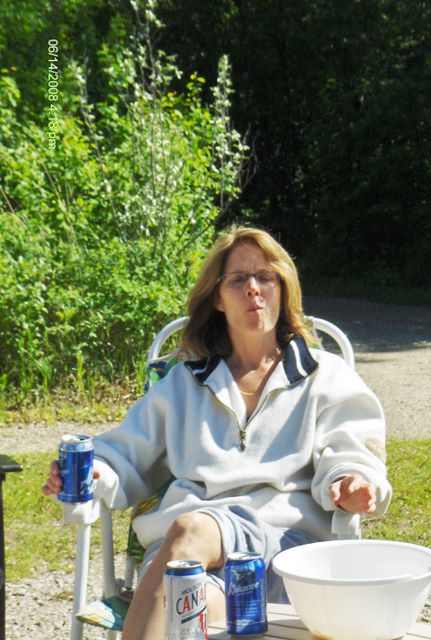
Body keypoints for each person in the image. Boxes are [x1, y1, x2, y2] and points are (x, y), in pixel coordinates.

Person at [43, 225, 392, 640]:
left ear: (282, 289)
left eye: (265, 277)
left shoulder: (324, 376)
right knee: (180, 613)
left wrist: (352, 481)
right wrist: (94, 471)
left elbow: (352, 451)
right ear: (218, 298)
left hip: (282, 553)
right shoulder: (183, 384)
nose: (254, 289)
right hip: (189, 565)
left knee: (189, 531)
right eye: (239, 279)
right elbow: (125, 453)